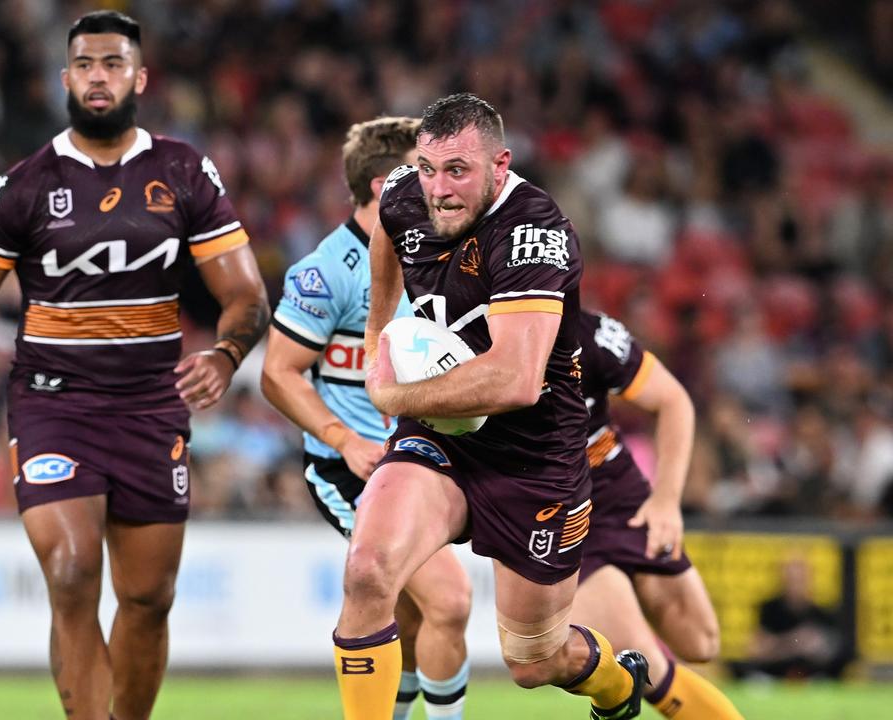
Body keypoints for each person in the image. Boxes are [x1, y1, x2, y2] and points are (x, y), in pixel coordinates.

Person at [0, 11, 269, 720]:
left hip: (149, 407)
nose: (98, 77)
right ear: (66, 78)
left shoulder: (182, 170)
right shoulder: (23, 185)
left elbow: (247, 296)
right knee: (74, 572)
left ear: (140, 77)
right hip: (56, 406)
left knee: (148, 599)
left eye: (112, 63)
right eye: (85, 65)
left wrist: (228, 354)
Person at [341, 92, 648, 720]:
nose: (439, 189)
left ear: (500, 165)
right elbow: (385, 249)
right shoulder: (404, 196)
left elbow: (514, 380)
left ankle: (618, 687)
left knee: (535, 661)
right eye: (429, 168)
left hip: (537, 458)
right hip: (441, 437)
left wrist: (392, 391)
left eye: (459, 170)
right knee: (369, 572)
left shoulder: (535, 230)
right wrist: (377, 343)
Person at [261, 117, 472, 720]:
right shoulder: (325, 271)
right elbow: (278, 373)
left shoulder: (437, 253)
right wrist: (342, 438)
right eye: (422, 170)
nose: (436, 184)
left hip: (424, 460)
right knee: (450, 600)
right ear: (385, 187)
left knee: (407, 614)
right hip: (354, 467)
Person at [570, 310, 744, 719]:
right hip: (554, 516)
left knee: (701, 642)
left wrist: (666, 500)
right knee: (650, 669)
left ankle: (609, 700)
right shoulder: (480, 342)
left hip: (618, 492)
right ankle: (610, 699)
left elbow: (673, 400)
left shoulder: (591, 335)